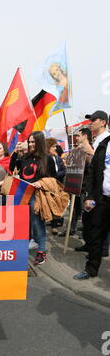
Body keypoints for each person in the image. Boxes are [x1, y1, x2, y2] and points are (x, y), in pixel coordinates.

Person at [73, 111, 110, 280]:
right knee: (95, 235)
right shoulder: (100, 144)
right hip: (101, 198)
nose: (90, 123)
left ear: (103, 122)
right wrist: (90, 196)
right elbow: (94, 172)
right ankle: (91, 270)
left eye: (93, 120)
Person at [10, 131, 49, 265]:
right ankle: (25, 244)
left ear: (40, 142)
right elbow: (11, 168)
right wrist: (15, 153)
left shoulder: (46, 159)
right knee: (23, 223)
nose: (31, 144)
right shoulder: (25, 157)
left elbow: (53, 179)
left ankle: (41, 251)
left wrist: (41, 183)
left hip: (37, 196)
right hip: (22, 194)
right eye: (30, 141)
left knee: (37, 224)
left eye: (34, 142)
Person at [46, 138, 66, 235]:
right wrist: (56, 175)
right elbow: (49, 173)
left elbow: (64, 170)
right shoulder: (45, 158)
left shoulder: (58, 158)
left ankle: (54, 225)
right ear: (48, 147)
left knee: (56, 205)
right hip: (49, 184)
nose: (55, 148)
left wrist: (57, 174)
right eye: (53, 146)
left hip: (58, 184)